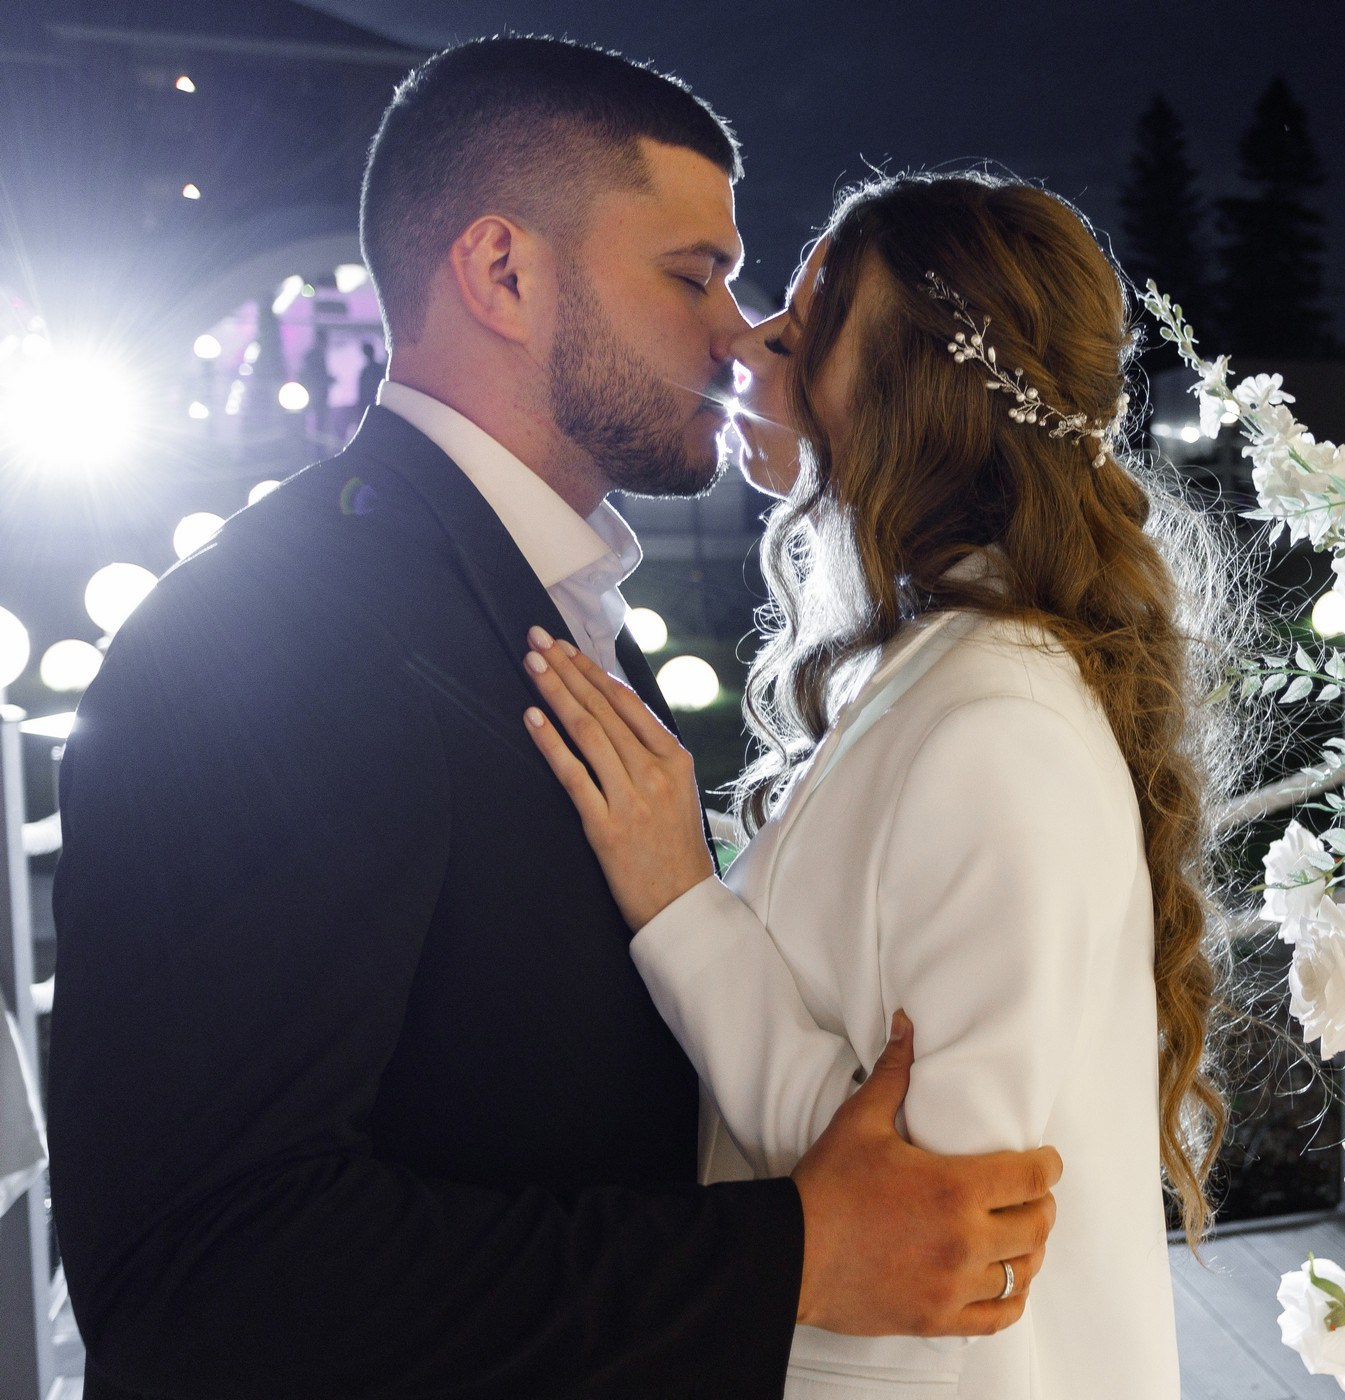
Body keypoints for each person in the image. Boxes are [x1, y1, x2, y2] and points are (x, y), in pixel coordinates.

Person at [47, 40, 1060, 1400]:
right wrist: (787, 1256)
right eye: (692, 274)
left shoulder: (560, 598)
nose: (738, 333)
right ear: (503, 273)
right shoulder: (267, 643)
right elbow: (206, 1283)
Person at [519, 172, 1250, 1398]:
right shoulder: (940, 665)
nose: (744, 342)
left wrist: (680, 906)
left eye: (801, 332)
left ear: (920, 390)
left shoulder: (995, 721)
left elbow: (943, 1219)